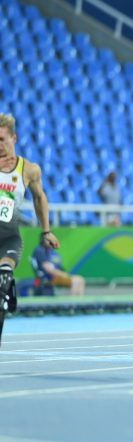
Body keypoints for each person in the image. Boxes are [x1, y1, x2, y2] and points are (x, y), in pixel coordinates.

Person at [0, 113, 60, 345]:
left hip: (8, 239)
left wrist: (46, 231)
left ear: (14, 138)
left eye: (3, 139)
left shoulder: (29, 170)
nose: (0, 146)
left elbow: (39, 198)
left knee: (3, 282)